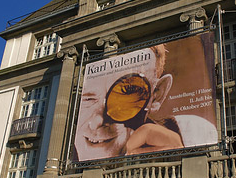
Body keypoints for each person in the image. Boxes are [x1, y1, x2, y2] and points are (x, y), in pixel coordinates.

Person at [74, 44, 217, 161]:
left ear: (156, 96)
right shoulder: (66, 156)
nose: (97, 121)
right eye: (88, 98)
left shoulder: (192, 133)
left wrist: (181, 157)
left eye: (127, 94)